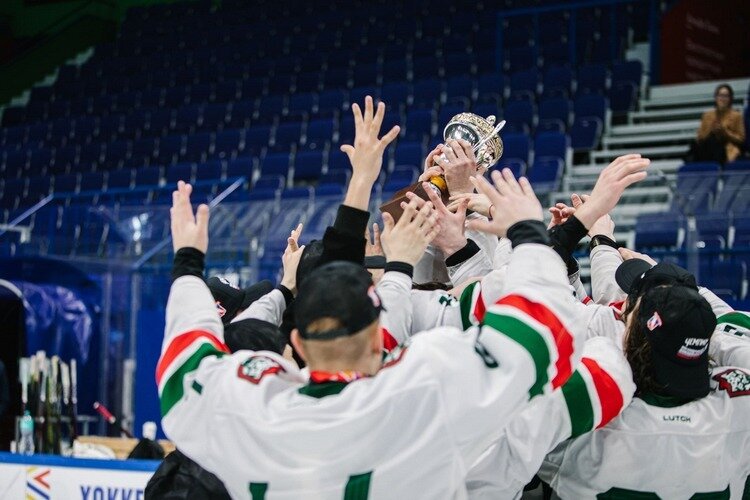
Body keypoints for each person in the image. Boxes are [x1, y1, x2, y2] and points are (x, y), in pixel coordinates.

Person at [537, 256, 750, 498]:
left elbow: (516, 436)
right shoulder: (738, 409)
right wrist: (690, 301)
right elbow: (736, 327)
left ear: (629, 338)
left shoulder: (593, 427)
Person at [689, 84, 746, 164]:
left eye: (726, 96)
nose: (722, 99)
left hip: (727, 148)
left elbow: (741, 139)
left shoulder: (737, 116)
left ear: (730, 98)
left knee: (717, 147)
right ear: (716, 98)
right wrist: (710, 129)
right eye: (720, 95)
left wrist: (725, 132)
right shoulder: (707, 115)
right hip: (707, 147)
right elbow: (699, 138)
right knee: (698, 145)